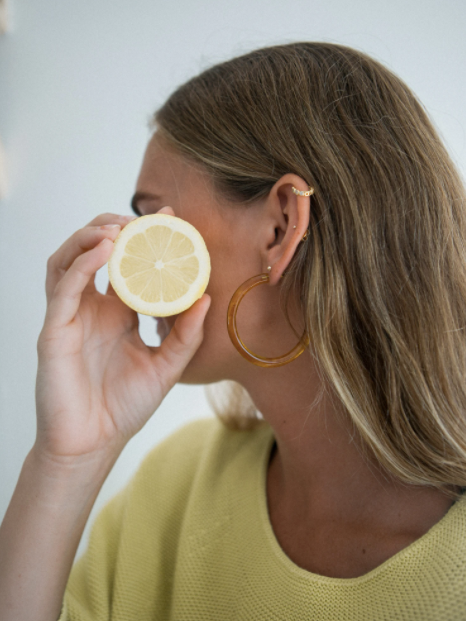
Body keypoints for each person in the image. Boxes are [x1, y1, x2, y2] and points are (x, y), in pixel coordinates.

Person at [1, 41, 466, 621]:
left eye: (153, 215)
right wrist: (66, 460)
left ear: (280, 227)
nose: (124, 252)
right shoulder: (175, 483)